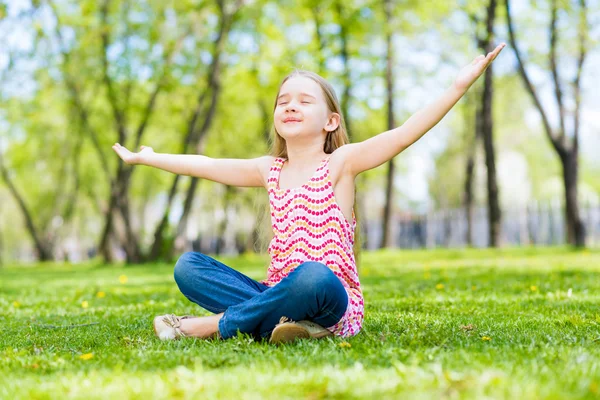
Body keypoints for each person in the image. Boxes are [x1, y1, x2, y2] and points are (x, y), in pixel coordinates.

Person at [111, 43, 505, 344]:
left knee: (312, 276)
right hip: (278, 295)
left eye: (304, 101)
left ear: (330, 120)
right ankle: (292, 327)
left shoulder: (341, 164)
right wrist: (151, 158)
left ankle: (214, 326)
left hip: (328, 297)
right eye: (283, 102)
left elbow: (403, 135)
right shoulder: (269, 170)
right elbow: (209, 164)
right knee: (188, 267)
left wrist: (457, 87)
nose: (291, 107)